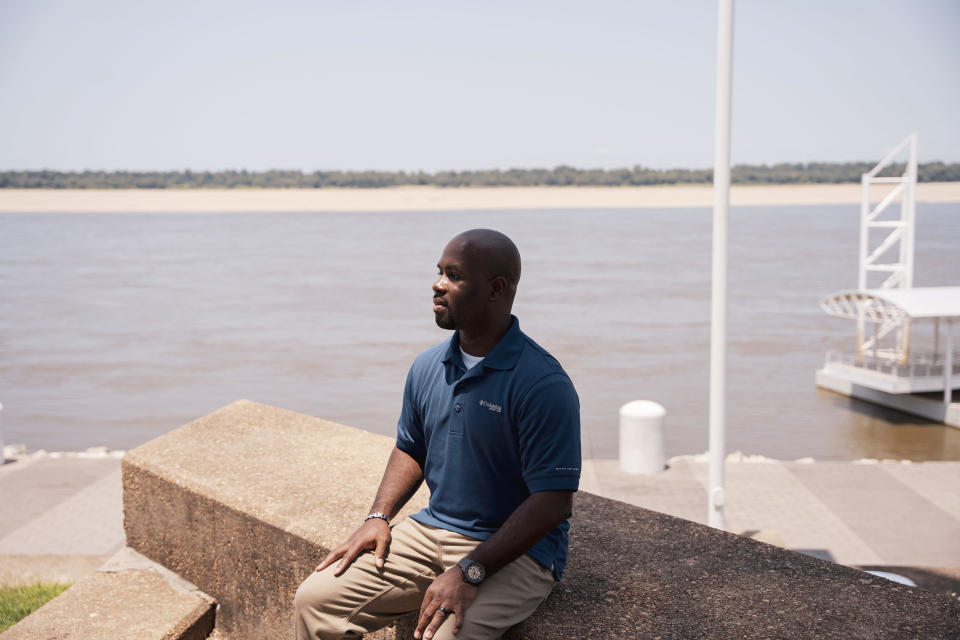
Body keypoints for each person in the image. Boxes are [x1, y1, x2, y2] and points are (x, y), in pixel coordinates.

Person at [294, 229, 581, 640]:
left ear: (496, 289)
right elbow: (411, 447)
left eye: (454, 275)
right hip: (431, 529)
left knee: (443, 636)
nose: (437, 284)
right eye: (439, 272)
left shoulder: (542, 383)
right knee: (316, 601)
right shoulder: (427, 366)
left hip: (518, 553)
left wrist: (471, 569)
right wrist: (378, 517)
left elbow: (553, 502)